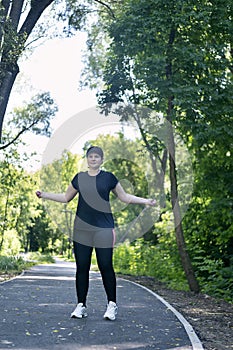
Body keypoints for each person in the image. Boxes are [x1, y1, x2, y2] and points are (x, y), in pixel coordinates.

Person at [36, 146, 156, 321]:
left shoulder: (109, 178)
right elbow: (65, 197)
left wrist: (146, 201)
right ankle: (81, 305)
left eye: (97, 157)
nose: (93, 159)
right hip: (81, 230)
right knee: (82, 267)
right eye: (90, 156)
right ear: (87, 159)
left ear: (101, 160)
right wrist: (44, 195)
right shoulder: (79, 178)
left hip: (104, 229)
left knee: (105, 265)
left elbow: (124, 197)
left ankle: (112, 305)